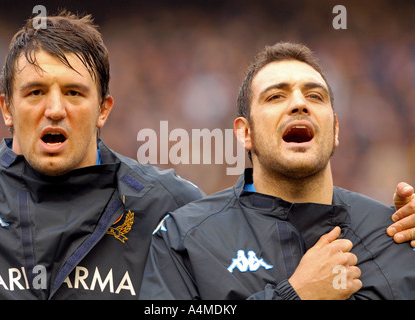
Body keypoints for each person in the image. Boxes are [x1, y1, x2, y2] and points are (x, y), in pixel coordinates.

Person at [140, 42, 415, 300]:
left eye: (315, 96)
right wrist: (295, 295)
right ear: (246, 132)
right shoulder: (185, 237)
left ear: (335, 130)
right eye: (276, 96)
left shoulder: (394, 234)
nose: (299, 104)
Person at [0, 11, 205, 299]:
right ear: (7, 109)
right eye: (36, 92)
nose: (55, 109)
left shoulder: (173, 209)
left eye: (73, 93)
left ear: (103, 110)